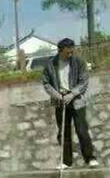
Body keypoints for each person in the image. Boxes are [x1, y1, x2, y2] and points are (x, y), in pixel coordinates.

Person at [42, 38, 98, 169]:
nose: (70, 55)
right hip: (60, 101)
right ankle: (67, 162)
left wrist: (72, 94)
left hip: (77, 100)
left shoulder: (78, 62)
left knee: (82, 130)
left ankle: (90, 158)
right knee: (63, 132)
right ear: (60, 51)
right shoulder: (50, 64)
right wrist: (57, 96)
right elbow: (46, 83)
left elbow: (84, 81)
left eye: (72, 52)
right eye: (68, 52)